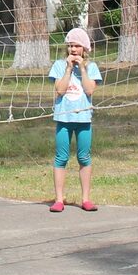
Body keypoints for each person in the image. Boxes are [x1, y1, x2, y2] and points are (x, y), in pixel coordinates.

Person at [48, 27, 101, 212]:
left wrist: (82, 69)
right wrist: (69, 68)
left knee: (84, 157)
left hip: (83, 120)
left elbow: (89, 90)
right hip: (63, 119)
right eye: (70, 46)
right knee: (61, 157)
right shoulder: (59, 65)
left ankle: (86, 199)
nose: (73, 49)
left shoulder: (91, 67)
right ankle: (59, 199)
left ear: (84, 48)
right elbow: (60, 90)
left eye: (77, 46)